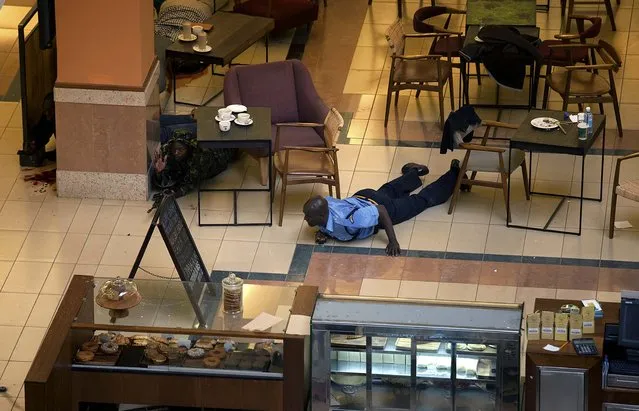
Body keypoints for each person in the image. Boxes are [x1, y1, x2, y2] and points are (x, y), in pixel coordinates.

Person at [303, 160, 465, 256]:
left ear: (321, 215)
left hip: (381, 208)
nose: (305, 219)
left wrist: (392, 241)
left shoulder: (349, 221)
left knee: (420, 201)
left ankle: (454, 175)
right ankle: (414, 173)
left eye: (308, 216)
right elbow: (326, 220)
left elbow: (380, 210)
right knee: (391, 189)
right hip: (364, 195)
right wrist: (322, 232)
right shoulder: (324, 207)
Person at [149, 129, 238, 212]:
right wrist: (159, 172)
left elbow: (188, 185)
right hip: (209, 141)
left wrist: (170, 195)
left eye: (180, 149)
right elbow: (165, 179)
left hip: (221, 154)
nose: (176, 152)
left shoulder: (200, 157)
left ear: (188, 148)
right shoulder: (167, 150)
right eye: (174, 149)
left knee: (235, 147)